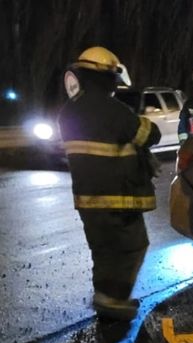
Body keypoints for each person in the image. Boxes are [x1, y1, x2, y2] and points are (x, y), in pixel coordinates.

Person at [57, 46, 161, 321]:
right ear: (107, 79)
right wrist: (134, 109)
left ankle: (104, 296)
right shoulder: (114, 110)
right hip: (120, 197)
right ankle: (116, 300)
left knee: (102, 250)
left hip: (86, 200)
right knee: (133, 245)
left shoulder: (67, 112)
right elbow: (150, 135)